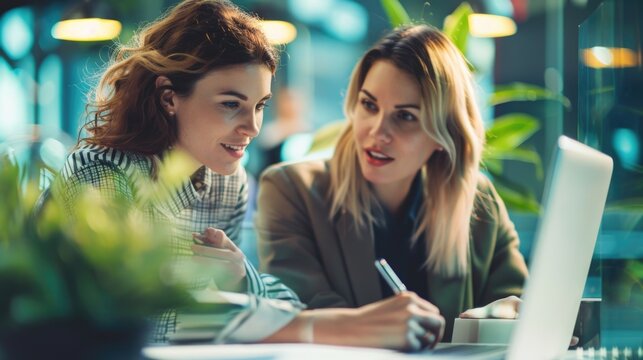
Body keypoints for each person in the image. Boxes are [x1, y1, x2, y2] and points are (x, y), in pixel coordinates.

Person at [57, 0, 444, 351]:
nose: (253, 126)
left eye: (259, 106)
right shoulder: (102, 176)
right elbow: (127, 327)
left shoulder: (227, 181)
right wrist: (324, 327)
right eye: (231, 104)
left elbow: (282, 303)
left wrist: (243, 278)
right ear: (168, 97)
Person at [256, 24, 529, 341]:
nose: (377, 132)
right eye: (369, 105)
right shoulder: (291, 191)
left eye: (406, 116)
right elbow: (299, 316)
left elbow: (516, 302)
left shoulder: (479, 201)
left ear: (444, 134)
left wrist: (501, 316)